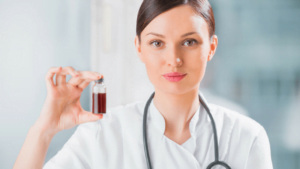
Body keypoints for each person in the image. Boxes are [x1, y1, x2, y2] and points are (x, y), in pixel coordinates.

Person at [13, 0, 273, 168]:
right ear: (138, 48)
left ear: (211, 47)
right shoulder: (104, 133)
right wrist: (44, 130)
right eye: (157, 43)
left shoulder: (246, 138)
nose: (174, 60)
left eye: (189, 42)